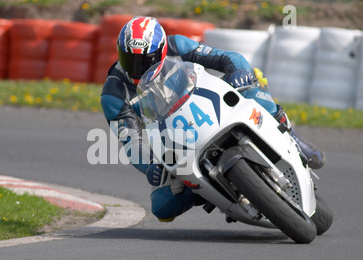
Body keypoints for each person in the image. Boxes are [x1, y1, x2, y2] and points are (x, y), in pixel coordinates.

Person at [100, 16, 325, 222]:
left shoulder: (177, 45)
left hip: (208, 106)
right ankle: (209, 192)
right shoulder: (113, 94)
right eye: (130, 60)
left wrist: (238, 71)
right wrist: (150, 165)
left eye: (145, 61)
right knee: (161, 208)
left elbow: (225, 57)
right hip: (174, 140)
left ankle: (292, 136)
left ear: (161, 50)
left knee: (253, 88)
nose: (138, 69)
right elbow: (131, 142)